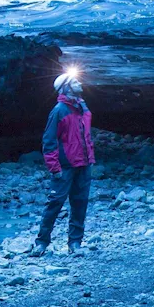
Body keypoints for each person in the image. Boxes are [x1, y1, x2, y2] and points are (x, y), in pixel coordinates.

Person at [31, 70, 95, 256]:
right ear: (66, 87)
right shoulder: (59, 111)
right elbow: (49, 141)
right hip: (65, 166)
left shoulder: (82, 107)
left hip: (83, 164)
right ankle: (42, 242)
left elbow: (86, 134)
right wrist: (54, 167)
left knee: (79, 202)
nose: (79, 83)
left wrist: (90, 158)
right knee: (55, 203)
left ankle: (75, 243)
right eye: (74, 81)